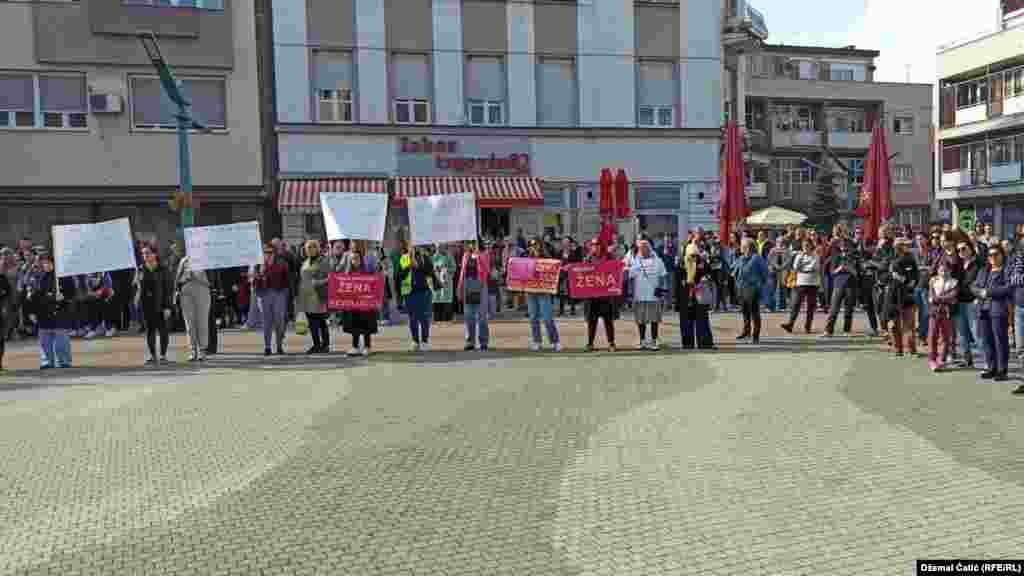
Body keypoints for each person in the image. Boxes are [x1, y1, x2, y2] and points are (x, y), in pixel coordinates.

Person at [27, 256, 75, 369]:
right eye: (44, 263)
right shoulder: (40, 278)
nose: (46, 265)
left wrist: (64, 297)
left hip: (60, 312)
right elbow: (33, 297)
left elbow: (72, 293)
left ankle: (64, 361)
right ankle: (47, 361)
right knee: (45, 341)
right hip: (43, 313)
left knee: (61, 341)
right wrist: (31, 311)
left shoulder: (64, 277)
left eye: (48, 263)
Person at [973, 244, 1012, 381]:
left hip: (998, 309)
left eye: (996, 254)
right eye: (990, 255)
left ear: (1002, 255)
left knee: (1000, 341)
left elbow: (1008, 288)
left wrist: (988, 292)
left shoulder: (1006, 270)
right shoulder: (984, 270)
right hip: (983, 309)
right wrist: (980, 293)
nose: (993, 257)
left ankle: (1002, 370)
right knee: (987, 340)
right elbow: (974, 286)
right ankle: (991, 367)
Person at [678, 231, 715, 349]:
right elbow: (677, 280)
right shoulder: (681, 262)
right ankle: (687, 343)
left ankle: (704, 343)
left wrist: (704, 279)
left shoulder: (703, 260)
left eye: (695, 253)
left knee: (702, 319)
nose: (693, 255)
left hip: (699, 293)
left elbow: (710, 274)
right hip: (685, 294)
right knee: (686, 320)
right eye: (691, 252)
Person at [629, 237, 667, 351]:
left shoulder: (658, 261)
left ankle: (654, 340)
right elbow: (631, 277)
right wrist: (631, 294)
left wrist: (662, 292)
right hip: (639, 295)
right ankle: (642, 340)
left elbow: (663, 276)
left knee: (654, 319)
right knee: (641, 320)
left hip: (654, 296)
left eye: (646, 247)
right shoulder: (636, 261)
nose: (644, 250)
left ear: (650, 249)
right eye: (641, 248)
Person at [137, 245, 173, 365]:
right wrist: (136, 293)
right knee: (150, 331)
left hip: (161, 304)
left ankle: (163, 355)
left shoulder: (163, 269)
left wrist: (168, 306)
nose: (145, 255)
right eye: (143, 253)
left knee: (163, 331)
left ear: (155, 254)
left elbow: (168, 289)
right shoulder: (141, 269)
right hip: (147, 305)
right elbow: (137, 288)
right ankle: (153, 355)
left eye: (147, 253)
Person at [175, 245, 211, 362]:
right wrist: (185, 277)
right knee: (189, 323)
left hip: (202, 291)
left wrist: (198, 277)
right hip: (186, 293)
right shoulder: (184, 261)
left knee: (202, 321)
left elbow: (213, 279)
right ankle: (193, 350)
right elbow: (177, 280)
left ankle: (202, 350)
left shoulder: (206, 260)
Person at [340, 247, 379, 357]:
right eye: (352, 259)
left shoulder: (367, 272)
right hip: (353, 305)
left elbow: (374, 283)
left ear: (361, 259)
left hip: (365, 305)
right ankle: (355, 346)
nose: (355, 261)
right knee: (354, 325)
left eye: (356, 258)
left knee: (366, 325)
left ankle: (367, 346)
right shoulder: (347, 273)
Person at [400, 241, 438, 351]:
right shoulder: (404, 258)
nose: (414, 247)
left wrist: (420, 265)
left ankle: (425, 341)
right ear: (408, 246)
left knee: (424, 318)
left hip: (424, 291)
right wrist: (409, 266)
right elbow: (399, 275)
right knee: (413, 319)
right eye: (411, 245)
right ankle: (415, 341)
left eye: (416, 245)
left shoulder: (425, 257)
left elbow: (430, 272)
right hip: (410, 292)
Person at [253, 243, 290, 356]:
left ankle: (279, 346)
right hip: (263, 295)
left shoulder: (282, 263)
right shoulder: (258, 265)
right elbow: (254, 283)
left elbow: (287, 280)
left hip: (279, 294)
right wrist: (258, 276)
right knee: (266, 322)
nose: (268, 255)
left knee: (279, 321)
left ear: (275, 253)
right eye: (265, 252)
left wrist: (286, 296)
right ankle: (267, 347)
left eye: (270, 252)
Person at [524, 238, 561, 352]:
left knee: (548, 318)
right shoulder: (525, 259)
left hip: (544, 291)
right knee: (533, 318)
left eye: (535, 245)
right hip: (531, 291)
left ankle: (555, 342)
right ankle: (537, 341)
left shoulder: (546, 258)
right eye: (531, 245)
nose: (533, 247)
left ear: (540, 246)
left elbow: (553, 270)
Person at [582, 239, 617, 352]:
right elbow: (581, 272)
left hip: (605, 295)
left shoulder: (608, 257)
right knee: (592, 321)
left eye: (597, 245)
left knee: (608, 321)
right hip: (592, 296)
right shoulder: (587, 259)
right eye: (593, 245)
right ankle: (590, 343)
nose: (595, 247)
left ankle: (611, 343)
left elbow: (616, 268)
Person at [886, 239, 919, 357]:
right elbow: (884, 274)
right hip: (892, 296)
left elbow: (914, 279)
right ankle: (897, 350)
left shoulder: (910, 260)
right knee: (893, 324)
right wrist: (888, 278)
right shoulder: (890, 258)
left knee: (909, 325)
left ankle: (912, 350)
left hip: (907, 296)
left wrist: (903, 280)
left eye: (904, 245)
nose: (902, 247)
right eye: (900, 245)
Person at [734, 237, 769, 343]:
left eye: (742, 245)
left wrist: (758, 284)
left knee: (754, 312)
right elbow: (735, 271)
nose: (740, 247)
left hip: (753, 288)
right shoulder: (741, 258)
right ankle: (746, 331)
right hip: (741, 287)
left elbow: (765, 272)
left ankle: (755, 335)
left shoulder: (757, 258)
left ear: (747, 247)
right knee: (744, 311)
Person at [781, 239, 820, 334]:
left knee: (810, 306)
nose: (805, 247)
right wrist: (803, 265)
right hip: (800, 282)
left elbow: (814, 267)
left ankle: (808, 326)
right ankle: (790, 324)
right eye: (804, 246)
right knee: (795, 304)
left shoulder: (816, 256)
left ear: (811, 246)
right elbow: (795, 267)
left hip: (812, 283)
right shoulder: (799, 256)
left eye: (807, 245)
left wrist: (803, 267)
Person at [822, 237, 859, 337]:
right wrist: (840, 268)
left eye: (846, 244)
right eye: (842, 244)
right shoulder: (835, 256)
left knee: (849, 309)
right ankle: (828, 330)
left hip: (851, 284)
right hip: (838, 284)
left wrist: (849, 268)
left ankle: (847, 330)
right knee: (834, 308)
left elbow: (857, 273)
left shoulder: (854, 257)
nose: (844, 246)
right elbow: (832, 272)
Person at [458, 240, 490, 351]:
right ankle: (470, 341)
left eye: (472, 242)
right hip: (467, 284)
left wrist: (478, 256)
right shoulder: (466, 255)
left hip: (480, 284)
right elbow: (462, 272)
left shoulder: (484, 254)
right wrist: (460, 287)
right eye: (469, 243)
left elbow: (486, 270)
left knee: (482, 316)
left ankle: (483, 342)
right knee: (468, 316)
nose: (470, 245)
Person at [299, 239, 331, 354]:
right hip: (307, 296)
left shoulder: (323, 261)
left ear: (317, 248)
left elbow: (329, 278)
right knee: (312, 323)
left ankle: (325, 345)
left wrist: (318, 282)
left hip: (319, 295)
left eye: (312, 247)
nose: (310, 250)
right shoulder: (305, 261)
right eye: (308, 248)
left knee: (322, 321)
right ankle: (316, 345)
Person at [928, 260, 959, 372]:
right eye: (941, 270)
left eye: (946, 270)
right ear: (937, 271)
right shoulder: (933, 281)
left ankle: (942, 358)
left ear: (950, 271)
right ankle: (932, 359)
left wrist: (939, 298)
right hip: (934, 312)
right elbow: (931, 297)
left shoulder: (954, 282)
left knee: (946, 337)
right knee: (932, 335)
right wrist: (942, 299)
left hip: (947, 313)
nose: (944, 272)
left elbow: (953, 296)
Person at [956, 240, 981, 368]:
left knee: (976, 332)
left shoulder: (979, 263)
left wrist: (979, 298)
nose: (961, 252)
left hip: (973, 302)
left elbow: (982, 281)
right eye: (958, 250)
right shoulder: (959, 264)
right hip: (959, 302)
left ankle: (988, 361)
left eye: (963, 248)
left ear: (970, 248)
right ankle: (967, 359)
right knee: (962, 333)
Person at [432, 244, 456, 323]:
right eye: (438, 248)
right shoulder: (434, 257)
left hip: (446, 282)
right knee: (437, 300)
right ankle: (437, 318)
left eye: (441, 247)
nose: (439, 249)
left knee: (446, 300)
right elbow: (431, 268)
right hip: (437, 281)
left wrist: (445, 269)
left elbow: (454, 268)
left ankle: (448, 319)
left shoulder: (449, 257)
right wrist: (436, 269)